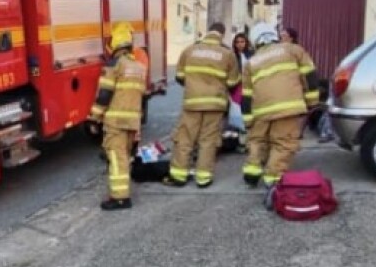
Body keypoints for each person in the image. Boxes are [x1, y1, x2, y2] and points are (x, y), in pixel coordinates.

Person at [241, 24, 319, 188]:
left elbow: (246, 94)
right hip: (287, 107)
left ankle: (252, 171)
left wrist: (248, 120)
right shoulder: (293, 50)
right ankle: (273, 178)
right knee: (283, 143)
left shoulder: (251, 62)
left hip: (260, 110)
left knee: (257, 140)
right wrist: (312, 101)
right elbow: (310, 75)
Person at [163, 23, 240, 188]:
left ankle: (178, 176)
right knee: (208, 140)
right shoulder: (228, 54)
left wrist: (194, 87)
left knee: (185, 138)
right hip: (216, 104)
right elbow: (233, 83)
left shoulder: (190, 50)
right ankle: (203, 178)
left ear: (207, 32)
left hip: (192, 103)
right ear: (222, 34)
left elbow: (179, 77)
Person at [89, 22, 147, 210]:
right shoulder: (138, 66)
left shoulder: (114, 65)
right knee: (124, 157)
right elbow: (141, 96)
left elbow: (104, 94)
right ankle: (122, 194)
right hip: (132, 121)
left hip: (116, 122)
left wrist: (94, 118)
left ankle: (120, 198)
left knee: (116, 158)